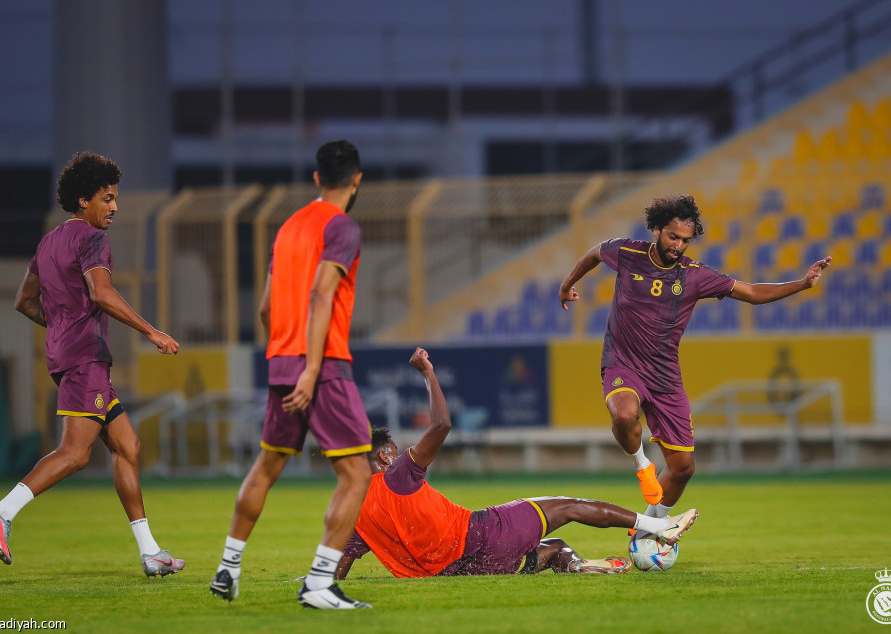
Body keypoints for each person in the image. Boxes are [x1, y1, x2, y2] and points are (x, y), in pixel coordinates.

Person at [558, 194, 831, 523]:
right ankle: (642, 465)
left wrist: (802, 284)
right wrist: (567, 284)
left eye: (686, 241)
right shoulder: (628, 253)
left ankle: (648, 532)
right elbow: (594, 253)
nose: (678, 246)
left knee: (683, 468)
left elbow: (752, 293)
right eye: (673, 237)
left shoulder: (695, 275)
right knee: (624, 415)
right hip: (622, 362)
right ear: (657, 230)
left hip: (664, 376)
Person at [0, 152, 184, 577]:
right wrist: (152, 332)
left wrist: (60, 325)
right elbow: (102, 294)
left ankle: (151, 553)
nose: (114, 207)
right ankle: (3, 510)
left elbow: (23, 302)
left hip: (71, 356)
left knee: (128, 446)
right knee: (75, 453)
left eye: (116, 198)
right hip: (85, 358)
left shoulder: (49, 242)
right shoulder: (91, 239)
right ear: (84, 200)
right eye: (107, 198)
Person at [335, 348, 698, 581]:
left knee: (553, 544)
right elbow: (441, 425)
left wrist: (313, 581)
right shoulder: (397, 475)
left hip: (459, 571)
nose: (398, 455)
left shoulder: (356, 510)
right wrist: (428, 372)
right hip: (479, 536)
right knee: (565, 506)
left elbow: (341, 563)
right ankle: (657, 526)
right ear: (384, 456)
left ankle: (572, 564)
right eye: (394, 451)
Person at [209, 140, 372, 610]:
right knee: (356, 473)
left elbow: (265, 307)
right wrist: (312, 367)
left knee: (267, 465)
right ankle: (320, 584)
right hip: (320, 367)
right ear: (356, 180)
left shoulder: (288, 228)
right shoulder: (341, 227)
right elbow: (322, 296)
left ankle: (228, 566)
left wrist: (285, 358)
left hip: (281, 361)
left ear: (318, 178)